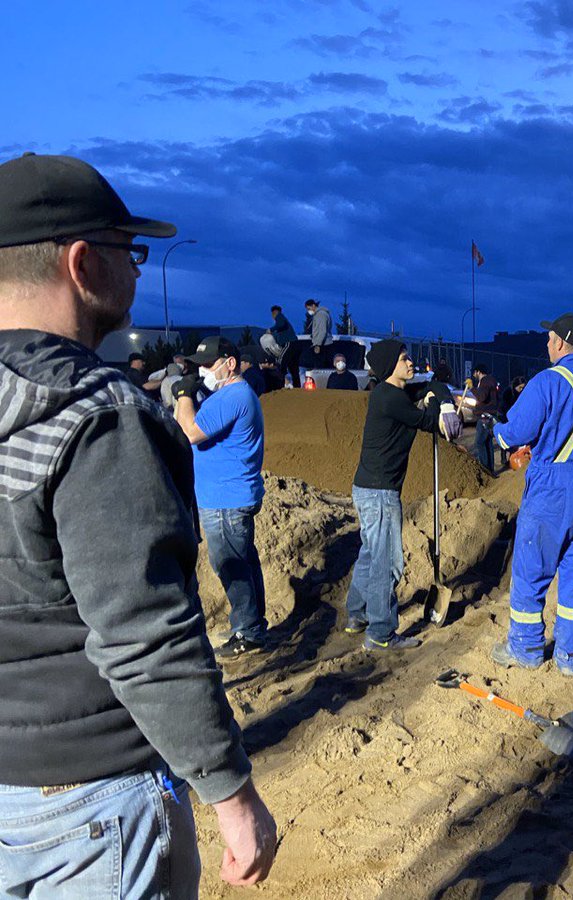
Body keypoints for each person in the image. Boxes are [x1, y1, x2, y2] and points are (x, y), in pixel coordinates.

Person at [0, 152, 275, 893]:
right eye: (130, 252)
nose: (137, 270)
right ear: (83, 264)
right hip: (90, 802)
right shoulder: (97, 418)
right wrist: (230, 794)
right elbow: (145, 634)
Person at [492, 313, 573, 677]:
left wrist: (497, 433)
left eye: (550, 339)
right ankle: (569, 656)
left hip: (552, 488)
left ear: (562, 343)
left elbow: (515, 432)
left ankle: (526, 648)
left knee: (531, 569)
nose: (547, 344)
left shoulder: (547, 382)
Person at [344, 340, 460, 650]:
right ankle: (380, 632)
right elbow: (427, 422)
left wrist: (441, 395)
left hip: (367, 489)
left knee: (370, 554)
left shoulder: (389, 392)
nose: (411, 363)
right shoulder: (391, 399)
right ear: (389, 366)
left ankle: (357, 614)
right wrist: (437, 405)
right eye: (404, 359)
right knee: (388, 563)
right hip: (381, 493)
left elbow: (428, 386)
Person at [173, 336, 269, 659]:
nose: (203, 371)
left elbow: (189, 432)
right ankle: (253, 626)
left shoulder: (233, 395)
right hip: (228, 496)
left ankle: (248, 632)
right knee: (244, 563)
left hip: (225, 500)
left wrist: (184, 394)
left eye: (208, 364)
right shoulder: (231, 395)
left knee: (232, 567)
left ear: (230, 363)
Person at [261, 304, 302, 388]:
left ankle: (280, 384)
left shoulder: (279, 317)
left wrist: (271, 329)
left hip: (289, 343)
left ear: (274, 313)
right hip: (295, 345)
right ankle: (297, 387)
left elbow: (281, 324)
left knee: (281, 362)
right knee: (293, 367)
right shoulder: (283, 322)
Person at [470, 363, 500, 473]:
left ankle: (485, 469)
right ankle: (490, 470)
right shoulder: (491, 380)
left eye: (474, 373)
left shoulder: (485, 381)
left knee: (479, 442)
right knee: (487, 442)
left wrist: (472, 388)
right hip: (490, 414)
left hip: (485, 416)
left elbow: (482, 397)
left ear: (478, 371)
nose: (474, 375)